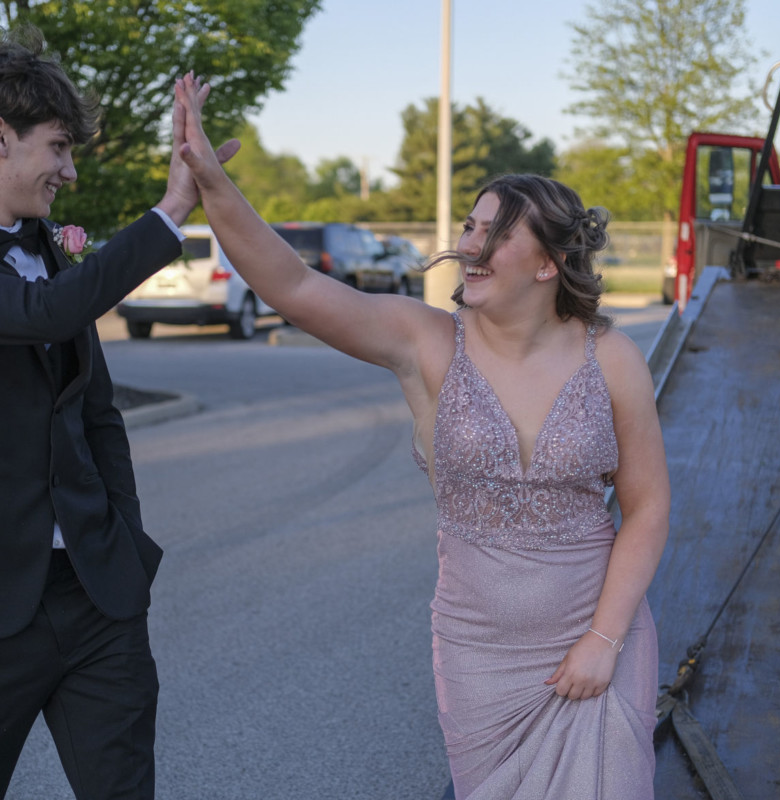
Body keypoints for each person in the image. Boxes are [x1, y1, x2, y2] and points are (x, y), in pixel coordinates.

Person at [170, 74, 669, 798]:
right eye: (469, 226)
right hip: (481, 659)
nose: (469, 244)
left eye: (493, 234)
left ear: (547, 263)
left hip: (597, 641)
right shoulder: (427, 342)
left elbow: (648, 507)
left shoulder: (612, 358)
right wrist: (212, 180)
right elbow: (295, 288)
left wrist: (604, 639)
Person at [0, 33, 233, 799]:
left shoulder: (48, 251)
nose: (68, 170)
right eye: (59, 147)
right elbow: (40, 313)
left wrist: (125, 544)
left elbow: (97, 415)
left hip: (97, 600)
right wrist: (172, 210)